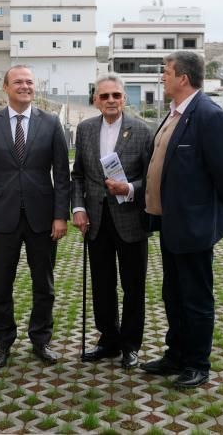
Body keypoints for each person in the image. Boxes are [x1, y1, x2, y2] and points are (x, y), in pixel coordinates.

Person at [140, 51, 223, 389]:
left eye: (167, 72)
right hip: (171, 223)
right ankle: (176, 355)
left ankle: (197, 363)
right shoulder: (174, 113)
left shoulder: (208, 114)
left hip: (194, 224)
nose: (163, 77)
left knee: (196, 298)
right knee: (173, 293)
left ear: (183, 78)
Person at [0, 64, 70, 368]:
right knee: (0, 283)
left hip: (43, 218)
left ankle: (41, 339)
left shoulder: (52, 123)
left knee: (44, 284)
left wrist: (60, 215)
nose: (25, 86)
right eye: (18, 82)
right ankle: (2, 342)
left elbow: (62, 173)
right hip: (1, 218)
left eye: (29, 81)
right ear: (5, 87)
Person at [72, 73, 152, 370]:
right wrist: (78, 208)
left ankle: (130, 346)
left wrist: (130, 189)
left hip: (130, 219)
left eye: (116, 96)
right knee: (102, 284)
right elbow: (78, 175)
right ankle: (108, 340)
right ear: (95, 99)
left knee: (133, 286)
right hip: (95, 220)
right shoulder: (85, 130)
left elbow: (152, 178)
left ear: (124, 98)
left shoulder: (142, 131)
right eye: (104, 96)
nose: (110, 101)